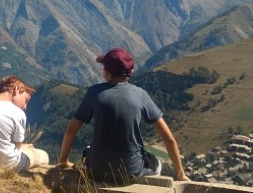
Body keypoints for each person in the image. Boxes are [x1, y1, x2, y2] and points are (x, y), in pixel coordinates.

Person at [57, 47, 190, 182]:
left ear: (106, 72)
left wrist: (63, 161)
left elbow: (71, 131)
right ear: (130, 72)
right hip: (131, 171)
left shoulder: (94, 93)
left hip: (96, 170)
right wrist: (180, 174)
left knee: (88, 150)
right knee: (157, 164)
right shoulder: (140, 95)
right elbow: (169, 139)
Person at [0, 75, 49, 172]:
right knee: (43, 155)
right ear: (17, 89)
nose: (25, 106)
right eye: (26, 100)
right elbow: (18, 147)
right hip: (8, 165)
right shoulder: (18, 113)